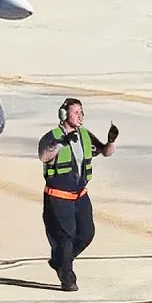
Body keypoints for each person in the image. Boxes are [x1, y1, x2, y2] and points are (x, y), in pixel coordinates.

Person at [37, 97, 118, 291]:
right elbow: (44, 156)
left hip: (80, 195)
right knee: (66, 237)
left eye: (81, 113)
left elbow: (105, 152)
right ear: (64, 115)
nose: (80, 116)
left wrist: (111, 141)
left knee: (86, 234)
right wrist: (61, 143)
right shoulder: (52, 136)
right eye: (76, 113)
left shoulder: (84, 135)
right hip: (59, 196)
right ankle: (67, 278)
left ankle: (60, 260)